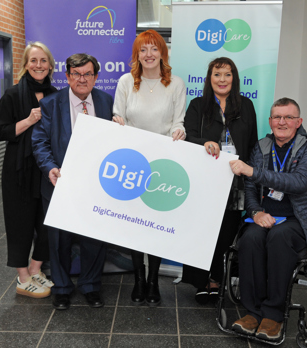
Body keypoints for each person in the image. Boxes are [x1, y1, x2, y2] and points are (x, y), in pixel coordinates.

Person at [230, 98, 307, 341]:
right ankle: (253, 312)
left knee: (279, 236)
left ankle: (273, 315)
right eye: (277, 117)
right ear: (270, 121)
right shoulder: (262, 146)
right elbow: (251, 187)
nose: (282, 122)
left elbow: (299, 183)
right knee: (251, 237)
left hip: (300, 217)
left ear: (299, 121)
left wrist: (252, 171)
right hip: (266, 214)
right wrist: (255, 212)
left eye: (288, 117)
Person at [32, 53, 113, 310]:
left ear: (96, 77)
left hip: (96, 186)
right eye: (76, 74)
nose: (82, 79)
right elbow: (40, 142)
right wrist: (50, 168)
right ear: (67, 76)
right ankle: (63, 288)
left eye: (87, 74)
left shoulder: (105, 101)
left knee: (94, 238)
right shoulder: (51, 104)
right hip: (59, 183)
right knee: (59, 239)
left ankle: (90, 286)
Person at [113, 29, 186, 306]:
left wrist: (179, 131)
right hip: (132, 162)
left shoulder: (175, 84)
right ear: (137, 54)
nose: (149, 54)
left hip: (163, 163)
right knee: (135, 224)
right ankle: (138, 279)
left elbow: (178, 121)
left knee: (156, 223)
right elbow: (118, 115)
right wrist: (117, 121)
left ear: (162, 53)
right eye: (143, 50)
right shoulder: (125, 81)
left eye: (154, 49)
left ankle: (154, 281)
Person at [182, 57, 258, 304]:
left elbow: (252, 144)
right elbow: (188, 137)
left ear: (234, 78)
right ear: (209, 78)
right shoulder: (197, 105)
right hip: (206, 181)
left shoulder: (246, 106)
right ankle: (204, 282)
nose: (222, 79)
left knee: (226, 233)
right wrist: (203, 142)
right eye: (217, 74)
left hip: (236, 183)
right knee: (204, 231)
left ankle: (218, 278)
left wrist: (252, 174)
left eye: (227, 74)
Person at [0, 42, 56, 298]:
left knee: (47, 223)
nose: (38, 65)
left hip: (46, 169)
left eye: (43, 61)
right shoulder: (12, 94)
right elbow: (0, 132)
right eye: (33, 61)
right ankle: (22, 278)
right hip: (18, 170)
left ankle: (35, 268)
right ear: (25, 65)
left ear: (51, 66)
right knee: (19, 223)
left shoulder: (56, 95)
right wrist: (29, 120)